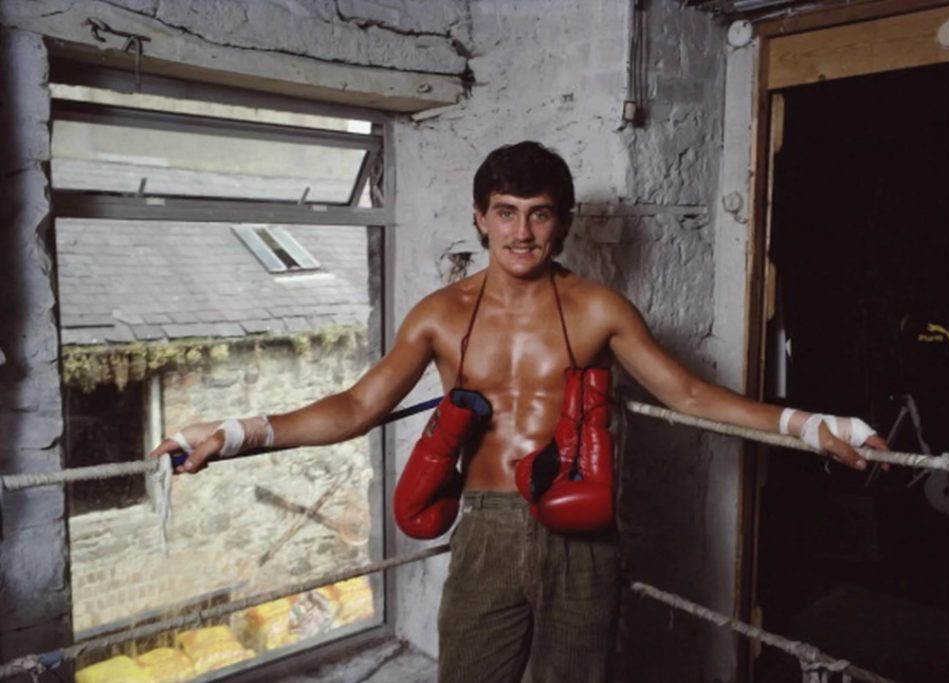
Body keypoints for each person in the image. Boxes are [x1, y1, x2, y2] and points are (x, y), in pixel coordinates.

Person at [150, 141, 887, 683]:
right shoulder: (440, 315)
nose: (522, 233)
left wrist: (809, 427)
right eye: (506, 213)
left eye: (538, 215)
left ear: (562, 222)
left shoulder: (597, 306)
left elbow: (688, 394)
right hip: (488, 530)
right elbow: (357, 405)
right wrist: (236, 432)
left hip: (584, 532)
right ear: (481, 218)